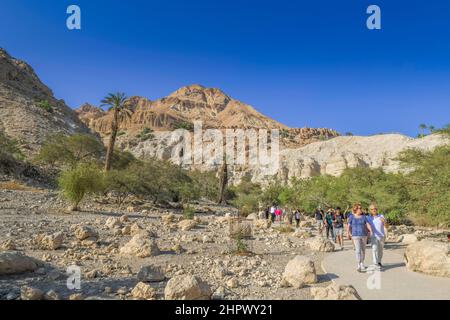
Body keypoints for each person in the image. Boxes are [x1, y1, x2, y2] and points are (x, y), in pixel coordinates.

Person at [347, 203, 373, 272]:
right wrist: (348, 233)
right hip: (355, 235)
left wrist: (371, 231)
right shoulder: (351, 217)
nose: (361, 209)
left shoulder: (364, 217)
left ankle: (362, 263)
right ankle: (358, 263)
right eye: (360, 208)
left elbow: (367, 224)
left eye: (361, 208)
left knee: (363, 250)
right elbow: (349, 225)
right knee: (358, 250)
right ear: (356, 209)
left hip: (364, 235)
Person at [367, 204, 387, 270]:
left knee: (380, 251)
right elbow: (366, 226)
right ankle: (375, 263)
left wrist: (384, 222)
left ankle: (379, 262)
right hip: (373, 236)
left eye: (375, 208)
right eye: (372, 209)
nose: (374, 210)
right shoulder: (368, 218)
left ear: (377, 209)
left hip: (381, 236)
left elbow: (387, 226)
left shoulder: (381, 216)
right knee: (374, 249)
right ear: (370, 210)